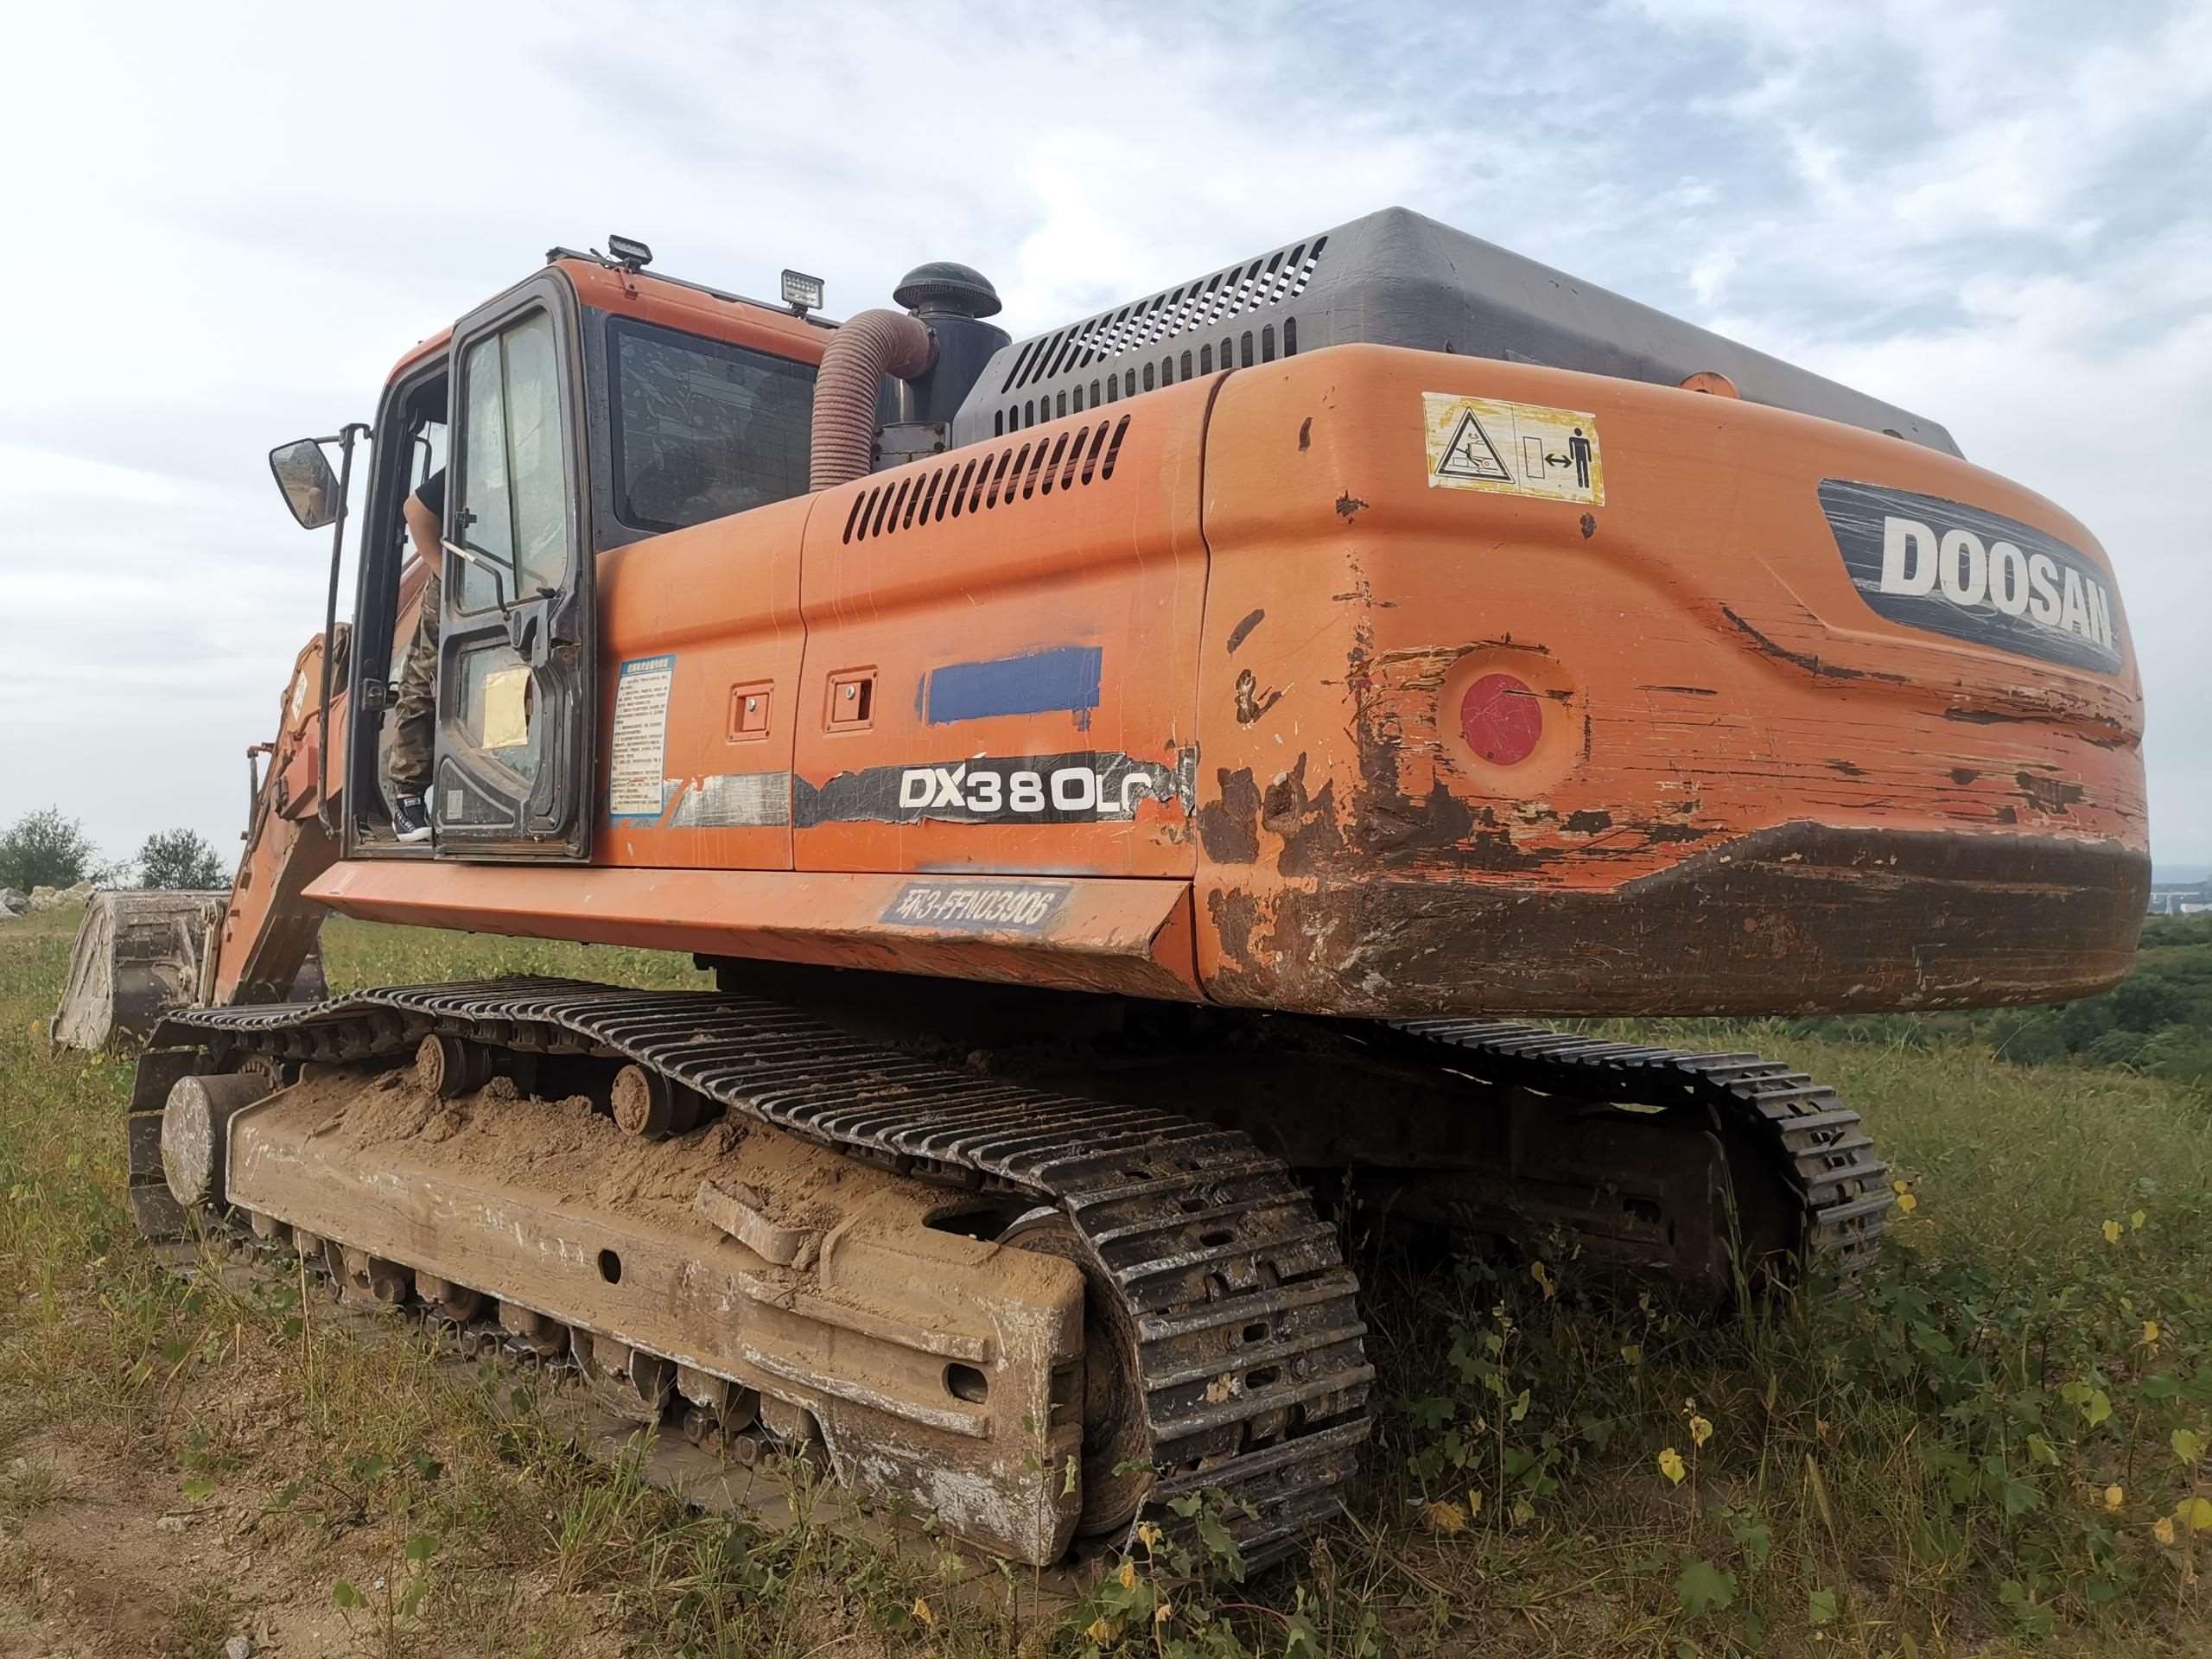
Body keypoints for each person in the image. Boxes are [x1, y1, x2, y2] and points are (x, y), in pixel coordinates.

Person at [387, 468, 444, 842]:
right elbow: (416, 508)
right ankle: (408, 798)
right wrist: (447, 572)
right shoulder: (486, 453)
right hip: (467, 577)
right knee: (425, 677)